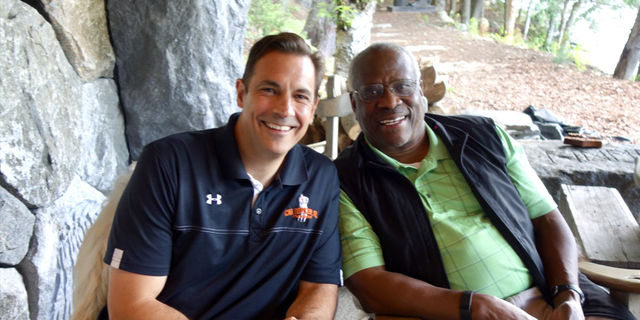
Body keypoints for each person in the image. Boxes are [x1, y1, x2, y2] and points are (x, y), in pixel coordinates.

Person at [334, 42, 635, 320]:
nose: (390, 101)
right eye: (372, 92)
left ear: (421, 91)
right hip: (454, 314)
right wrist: (475, 305)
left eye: (402, 86)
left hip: (552, 294)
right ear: (353, 102)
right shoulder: (346, 180)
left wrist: (568, 294)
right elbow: (369, 283)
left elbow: (546, 217)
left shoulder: (484, 136)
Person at [100, 32, 342, 320]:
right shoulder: (168, 163)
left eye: (300, 96)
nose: (285, 109)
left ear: (314, 108)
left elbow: (319, 285)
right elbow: (131, 306)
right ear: (241, 93)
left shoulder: (321, 176)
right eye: (269, 90)